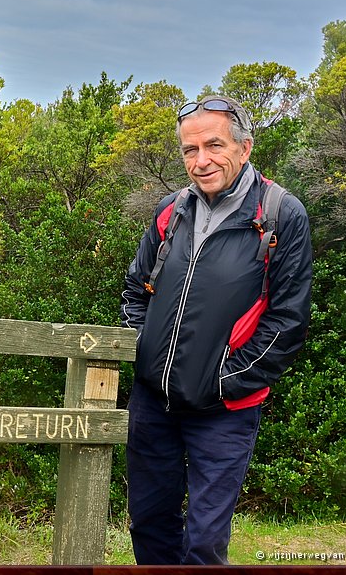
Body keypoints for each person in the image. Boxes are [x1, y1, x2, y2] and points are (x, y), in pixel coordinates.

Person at [119, 95, 312, 565]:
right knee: (148, 523)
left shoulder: (281, 215)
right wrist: (149, 355)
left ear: (244, 149)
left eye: (214, 145)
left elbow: (287, 322)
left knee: (204, 541)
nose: (201, 161)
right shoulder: (171, 210)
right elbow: (136, 289)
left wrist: (223, 382)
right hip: (154, 403)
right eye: (190, 149)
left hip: (226, 410)